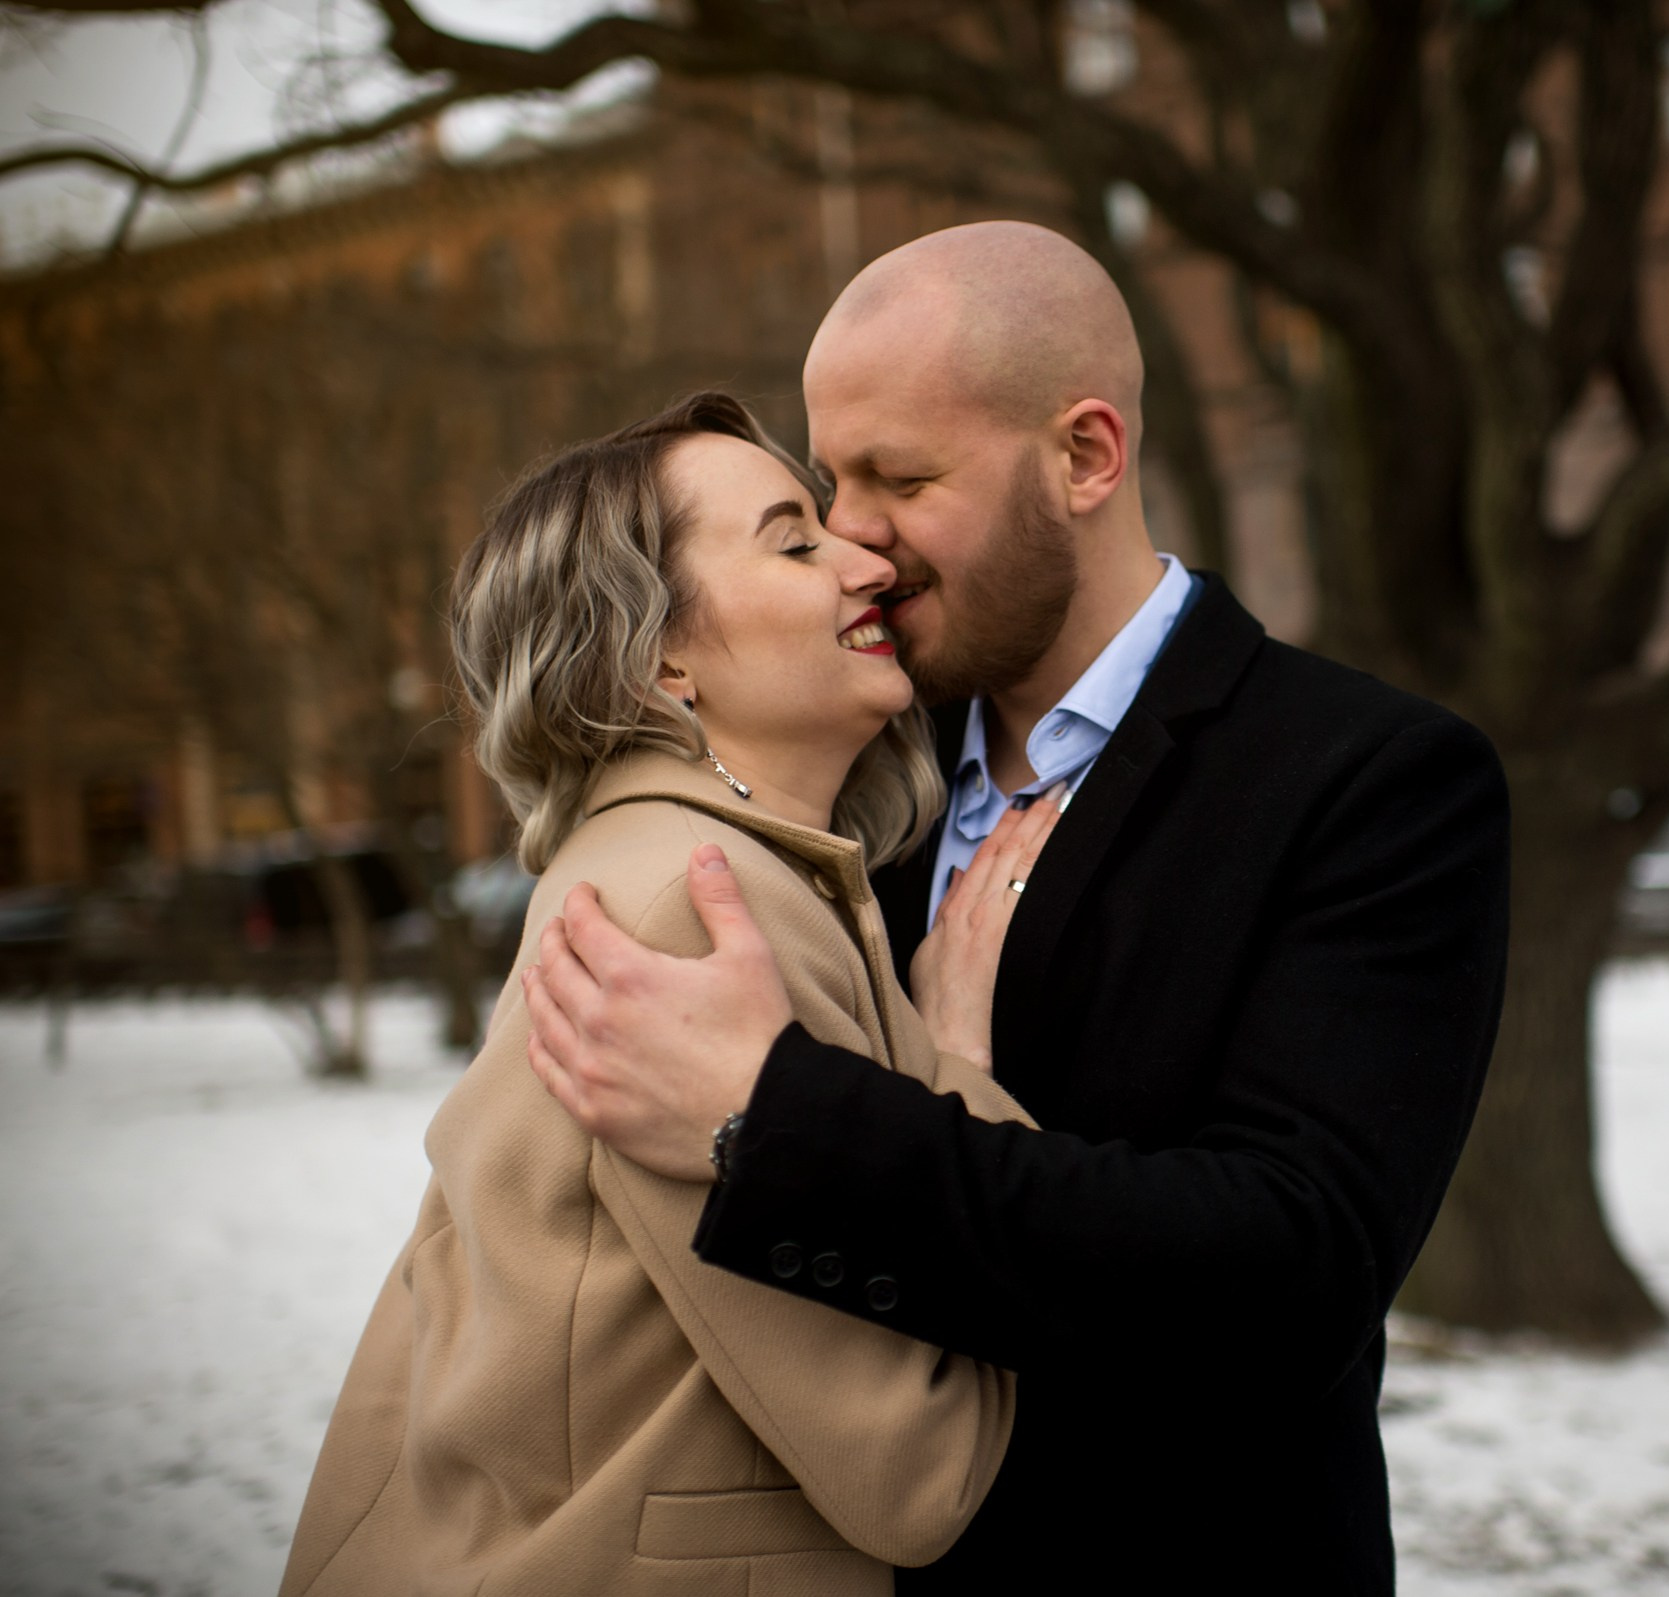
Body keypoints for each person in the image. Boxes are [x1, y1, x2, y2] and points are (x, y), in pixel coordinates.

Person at [524, 221, 1512, 1595]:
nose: (855, 540)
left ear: (1088, 457)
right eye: (827, 484)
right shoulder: (841, 773)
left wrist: (784, 1115)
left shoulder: (1371, 780)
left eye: (902, 479)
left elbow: (1291, 1278)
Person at [281, 392, 1061, 1597]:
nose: (867, 558)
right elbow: (917, 1470)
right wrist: (957, 1053)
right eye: (795, 540)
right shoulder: (697, 912)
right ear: (659, 655)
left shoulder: (682, 872)